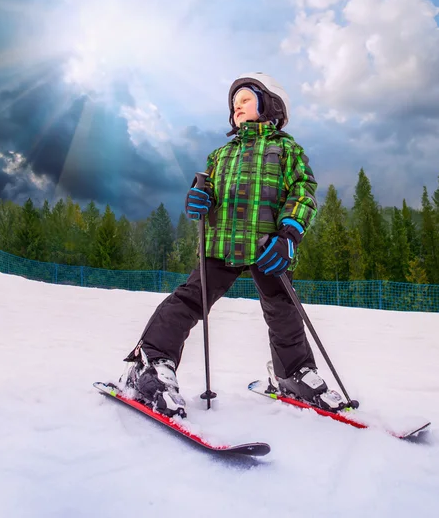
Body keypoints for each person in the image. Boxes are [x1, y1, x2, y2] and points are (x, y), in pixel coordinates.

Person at [121, 72, 344, 417]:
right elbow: (208, 195)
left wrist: (289, 235)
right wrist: (198, 198)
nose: (237, 107)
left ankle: (294, 373)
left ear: (269, 104)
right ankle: (151, 363)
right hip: (222, 244)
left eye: (245, 100)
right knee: (191, 298)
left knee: (283, 308)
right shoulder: (221, 155)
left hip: (267, 244)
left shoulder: (286, 149)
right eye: (234, 104)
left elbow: (302, 192)